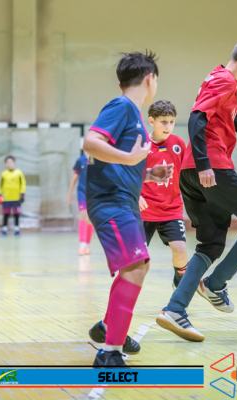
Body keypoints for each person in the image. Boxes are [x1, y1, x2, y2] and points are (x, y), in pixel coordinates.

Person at [156, 35, 237, 342]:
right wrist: (204, 163)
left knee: (210, 245)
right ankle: (215, 285)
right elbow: (197, 119)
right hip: (211, 168)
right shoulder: (224, 80)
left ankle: (174, 309)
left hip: (190, 173)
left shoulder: (221, 80)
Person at [83, 51, 173, 366]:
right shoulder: (121, 106)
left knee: (138, 265)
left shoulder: (133, 114)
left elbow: (119, 162)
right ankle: (110, 351)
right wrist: (131, 159)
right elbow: (91, 142)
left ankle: (109, 327)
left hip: (123, 200)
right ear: (150, 79)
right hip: (110, 201)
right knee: (135, 266)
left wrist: (148, 174)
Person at [138, 100, 188, 289]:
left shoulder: (178, 144)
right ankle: (127, 291)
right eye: (163, 122)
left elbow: (187, 174)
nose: (168, 126)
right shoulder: (141, 144)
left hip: (171, 208)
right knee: (137, 258)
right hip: (144, 209)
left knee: (180, 249)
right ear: (151, 121)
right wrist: (136, 195)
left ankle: (179, 287)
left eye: (171, 122)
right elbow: (129, 174)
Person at [68, 148, 93, 254]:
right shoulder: (80, 160)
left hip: (93, 193)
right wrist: (70, 192)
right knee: (83, 215)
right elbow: (75, 178)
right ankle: (82, 245)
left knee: (90, 218)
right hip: (82, 193)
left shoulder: (95, 160)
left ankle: (87, 246)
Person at [0, 156, 26, 236]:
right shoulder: (3, 174)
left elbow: (23, 184)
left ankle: (17, 230)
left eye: (11, 162)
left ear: (14, 163)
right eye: (7, 162)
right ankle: (4, 230)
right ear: (5, 164)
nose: (9, 164)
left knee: (16, 214)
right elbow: (0, 185)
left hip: (16, 198)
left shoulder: (19, 173)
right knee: (6, 215)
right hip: (6, 198)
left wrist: (22, 195)